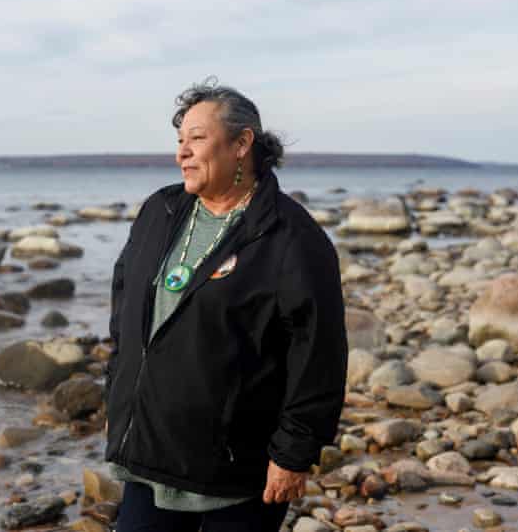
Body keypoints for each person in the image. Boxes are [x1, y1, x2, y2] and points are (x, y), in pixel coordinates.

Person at [104, 79, 347, 532]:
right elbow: (125, 313)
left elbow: (319, 352)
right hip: (149, 453)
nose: (182, 153)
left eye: (197, 138)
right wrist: (117, 395)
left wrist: (293, 454)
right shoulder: (161, 211)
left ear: (241, 144)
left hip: (236, 470)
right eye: (179, 140)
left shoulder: (290, 237)